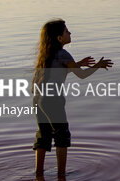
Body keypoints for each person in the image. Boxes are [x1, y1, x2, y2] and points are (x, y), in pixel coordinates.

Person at [32, 19, 113, 177]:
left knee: (43, 134)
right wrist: (98, 65)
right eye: (66, 31)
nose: (70, 33)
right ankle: (61, 176)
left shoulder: (46, 54)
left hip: (38, 98)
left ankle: (38, 174)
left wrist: (75, 64)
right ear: (59, 38)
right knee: (62, 135)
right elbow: (82, 75)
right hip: (53, 100)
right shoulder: (63, 54)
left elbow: (56, 72)